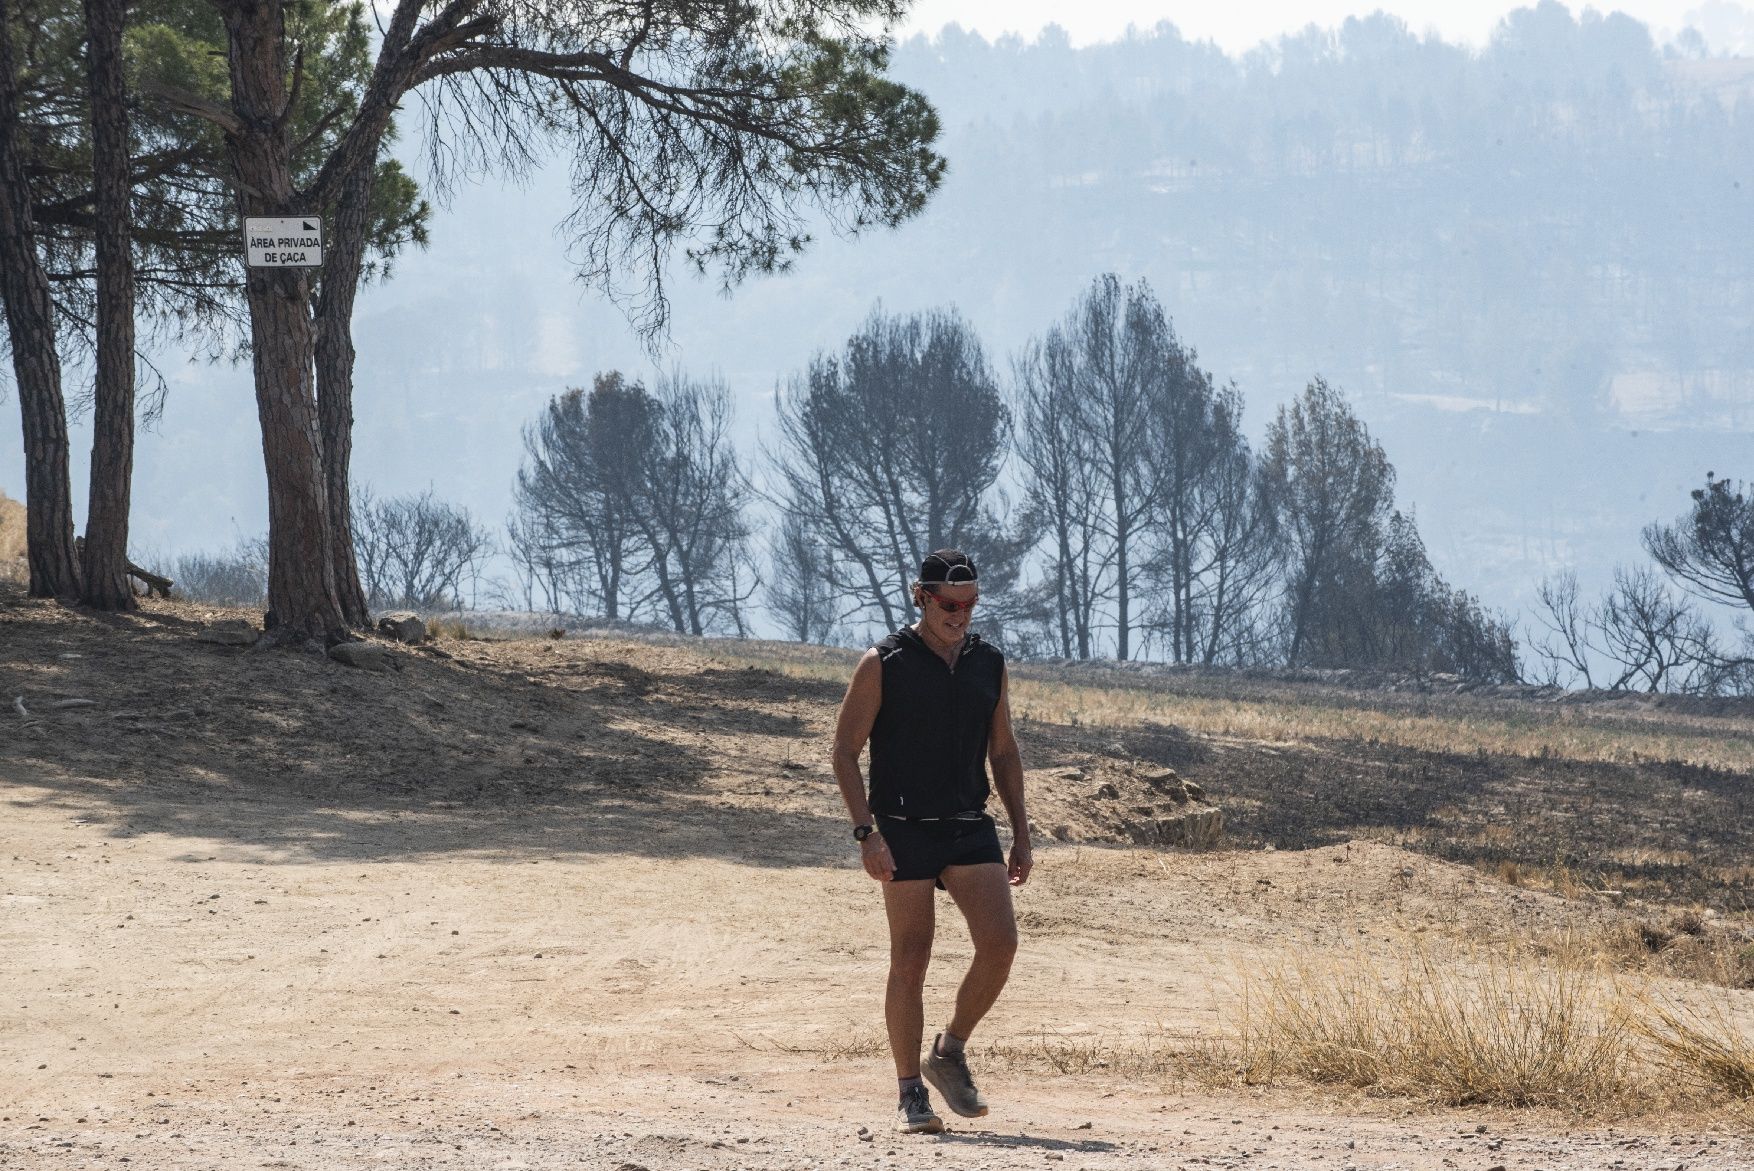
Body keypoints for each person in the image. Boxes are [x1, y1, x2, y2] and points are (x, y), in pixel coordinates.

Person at [831, 549, 1033, 1135]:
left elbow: (1004, 752)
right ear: (921, 596)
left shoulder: (988, 663)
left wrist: (1021, 832)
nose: (961, 615)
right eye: (949, 604)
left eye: (970, 604)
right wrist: (867, 834)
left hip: (968, 822)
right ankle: (909, 1091)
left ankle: (949, 1050)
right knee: (912, 957)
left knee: (1000, 945)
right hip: (901, 827)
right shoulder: (884, 662)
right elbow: (844, 753)